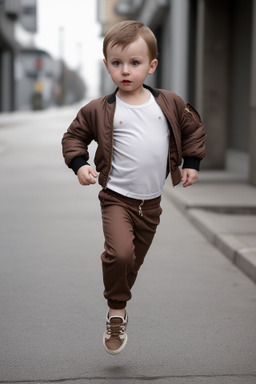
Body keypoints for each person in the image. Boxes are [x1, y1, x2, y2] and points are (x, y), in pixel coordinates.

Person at [62, 20, 206, 355]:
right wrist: (80, 164)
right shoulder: (99, 109)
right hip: (116, 199)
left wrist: (192, 163)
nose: (125, 70)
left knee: (131, 264)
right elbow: (74, 137)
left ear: (152, 66)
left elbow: (193, 129)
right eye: (117, 63)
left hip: (151, 204)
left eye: (135, 63)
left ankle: (119, 298)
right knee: (120, 254)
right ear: (106, 65)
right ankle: (116, 312)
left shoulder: (168, 103)